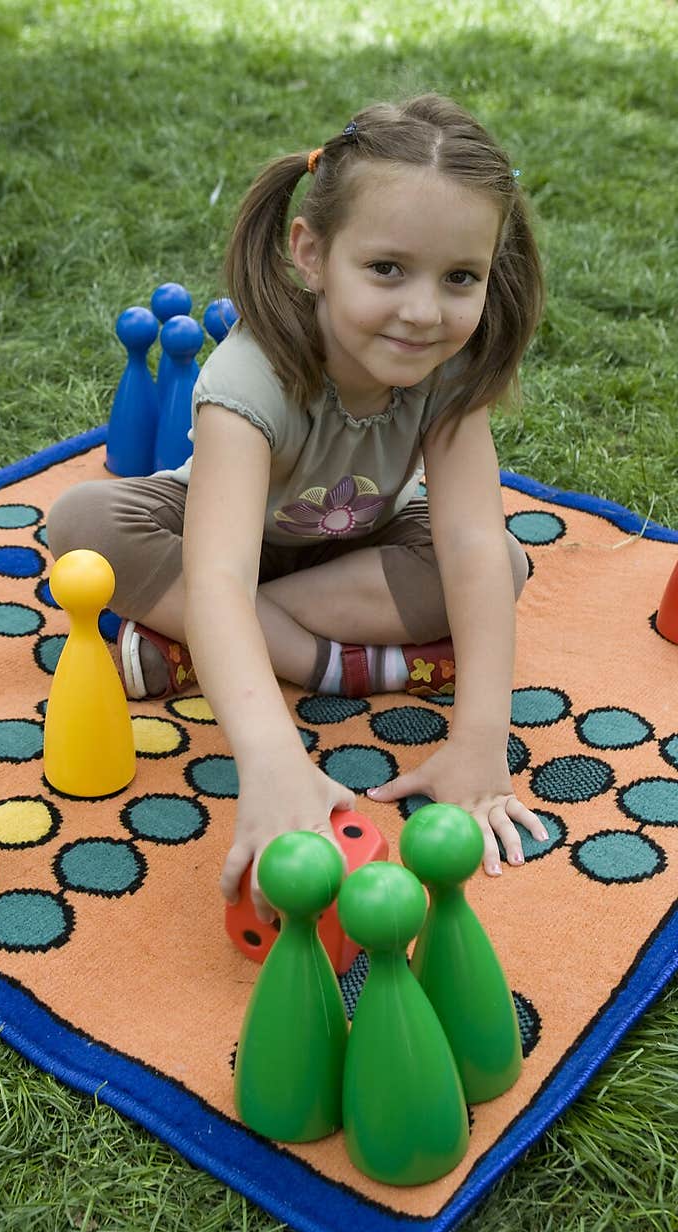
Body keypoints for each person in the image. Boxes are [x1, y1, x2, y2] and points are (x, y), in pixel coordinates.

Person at [47, 92, 550, 925]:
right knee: (84, 526)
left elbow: (465, 542)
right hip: (223, 539)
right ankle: (316, 661)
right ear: (311, 252)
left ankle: (199, 653)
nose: (424, 312)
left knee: (500, 565)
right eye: (387, 269)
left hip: (360, 546)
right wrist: (274, 754)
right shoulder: (253, 376)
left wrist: (478, 745)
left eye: (459, 278)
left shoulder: (450, 371)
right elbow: (216, 574)